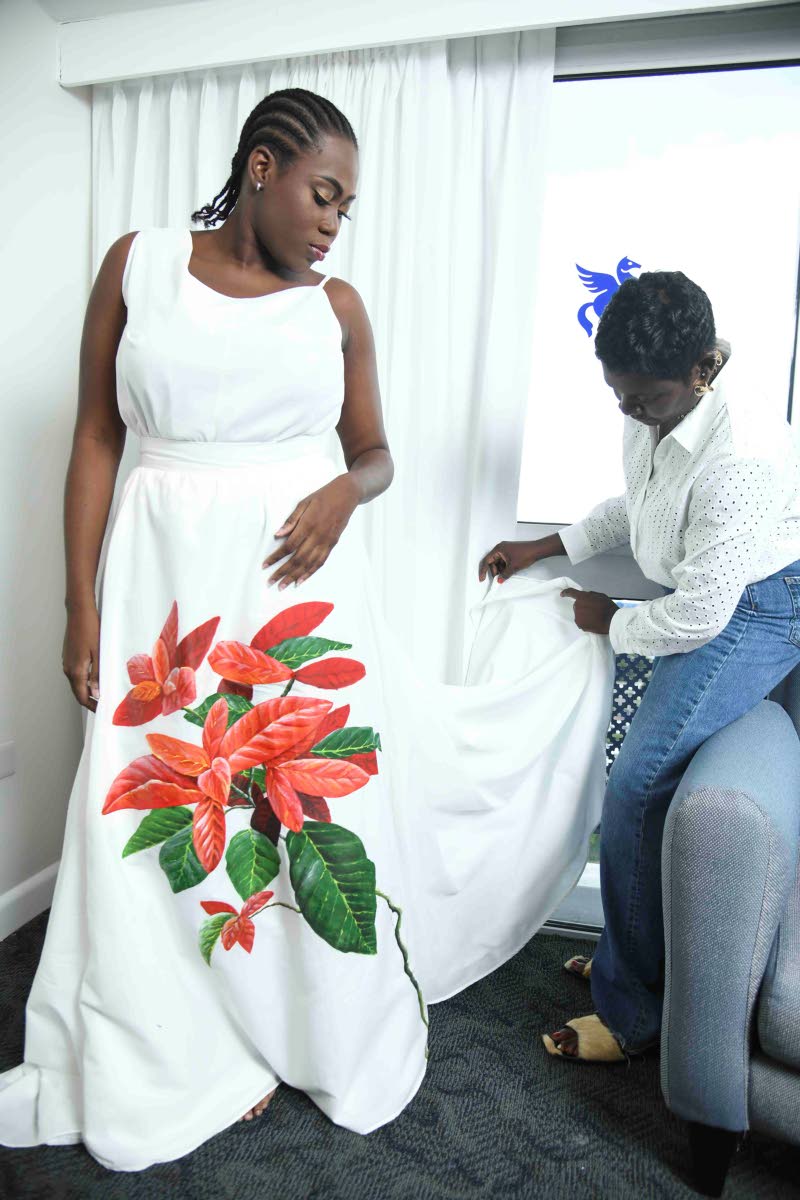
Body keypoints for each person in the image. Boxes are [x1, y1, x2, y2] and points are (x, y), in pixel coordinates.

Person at [0, 88, 614, 1170]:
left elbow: (375, 454)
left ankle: (278, 1022)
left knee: (278, 814)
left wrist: (342, 491)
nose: (333, 223)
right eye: (322, 195)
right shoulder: (137, 264)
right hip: (161, 598)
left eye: (346, 207)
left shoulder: (336, 309)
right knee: (152, 808)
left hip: (287, 601)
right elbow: (97, 435)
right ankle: (179, 1032)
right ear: (260, 168)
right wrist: (79, 602)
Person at [479, 271, 800, 1062]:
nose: (629, 411)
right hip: (707, 588)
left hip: (755, 604)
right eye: (618, 395)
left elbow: (702, 614)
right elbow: (644, 506)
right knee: (637, 780)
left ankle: (630, 1016)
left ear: (703, 369)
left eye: (645, 399)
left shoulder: (740, 456)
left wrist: (613, 620)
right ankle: (636, 960)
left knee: (637, 783)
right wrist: (546, 546)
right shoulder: (656, 404)